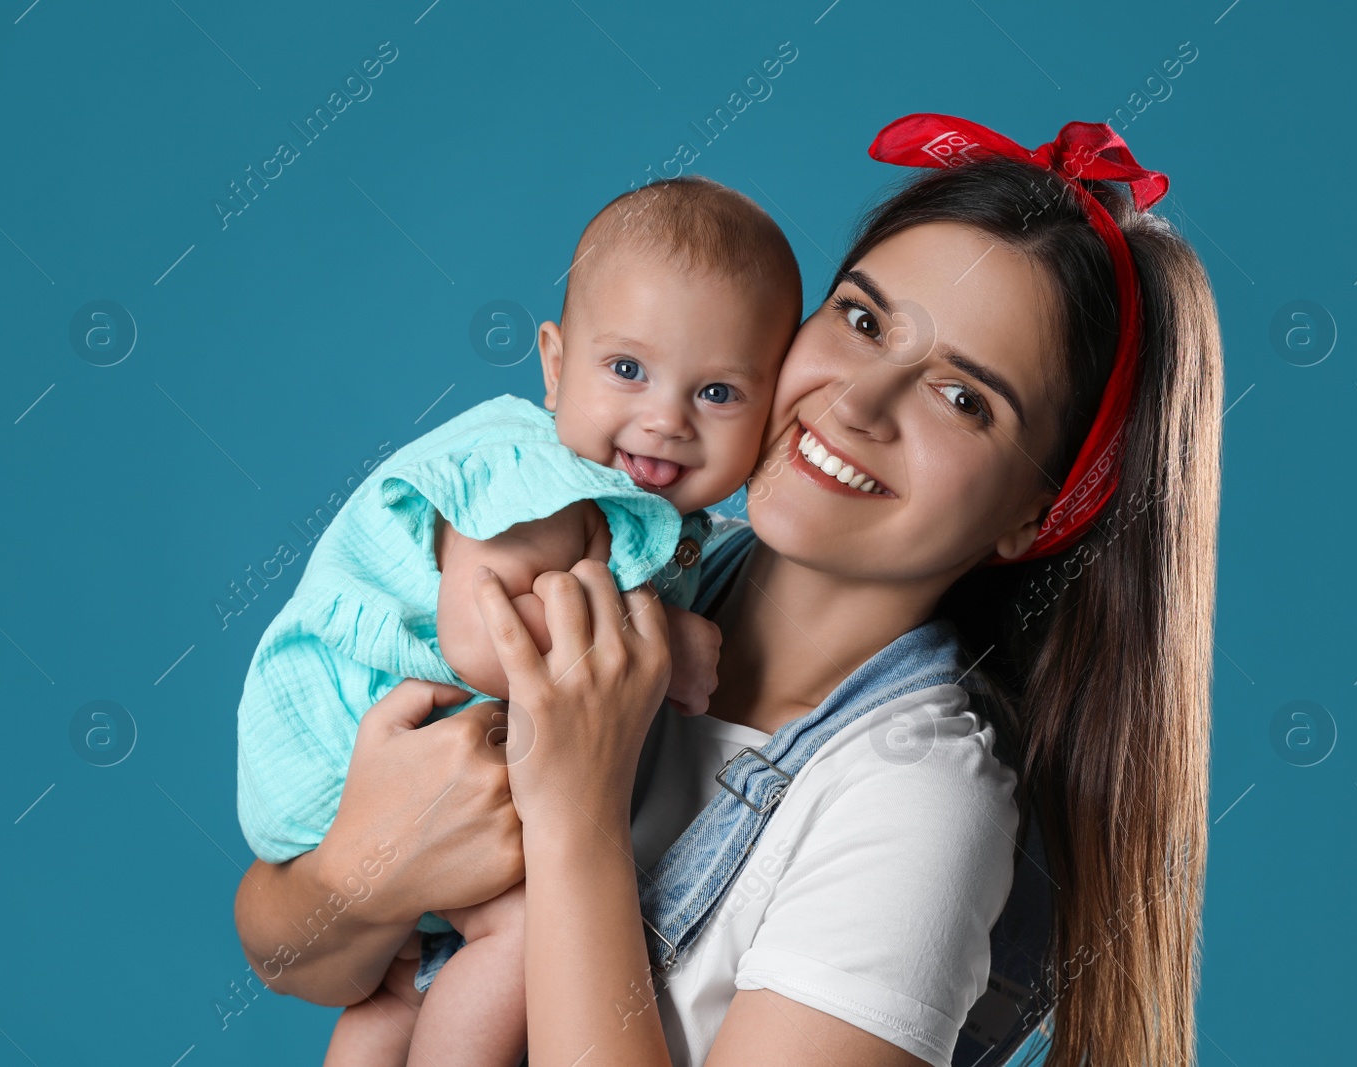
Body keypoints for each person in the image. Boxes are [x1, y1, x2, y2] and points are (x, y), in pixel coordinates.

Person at [233, 113, 1223, 1067]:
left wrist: (575, 816)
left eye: (963, 398)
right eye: (863, 318)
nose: (857, 400)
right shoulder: (631, 574)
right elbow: (287, 950)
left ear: (1033, 514)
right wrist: (360, 874)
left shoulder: (916, 807)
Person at [233, 176, 803, 1067]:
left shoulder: (660, 521)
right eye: (628, 370)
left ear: (773, 409)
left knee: (399, 988)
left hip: (421, 791)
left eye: (719, 393)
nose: (664, 419)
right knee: (519, 934)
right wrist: (661, 639)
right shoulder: (539, 484)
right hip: (363, 751)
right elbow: (477, 636)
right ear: (553, 361)